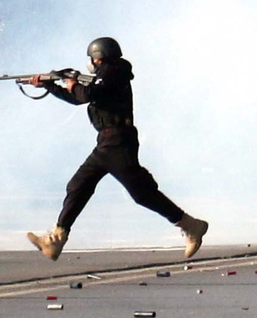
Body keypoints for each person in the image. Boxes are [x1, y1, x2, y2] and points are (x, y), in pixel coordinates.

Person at [26, 36, 208, 262]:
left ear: (98, 58)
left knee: (142, 193)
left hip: (117, 141)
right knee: (79, 186)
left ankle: (191, 226)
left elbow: (87, 95)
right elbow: (79, 98)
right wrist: (50, 86)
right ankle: (56, 239)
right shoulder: (107, 75)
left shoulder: (113, 73)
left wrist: (73, 84)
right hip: (107, 142)